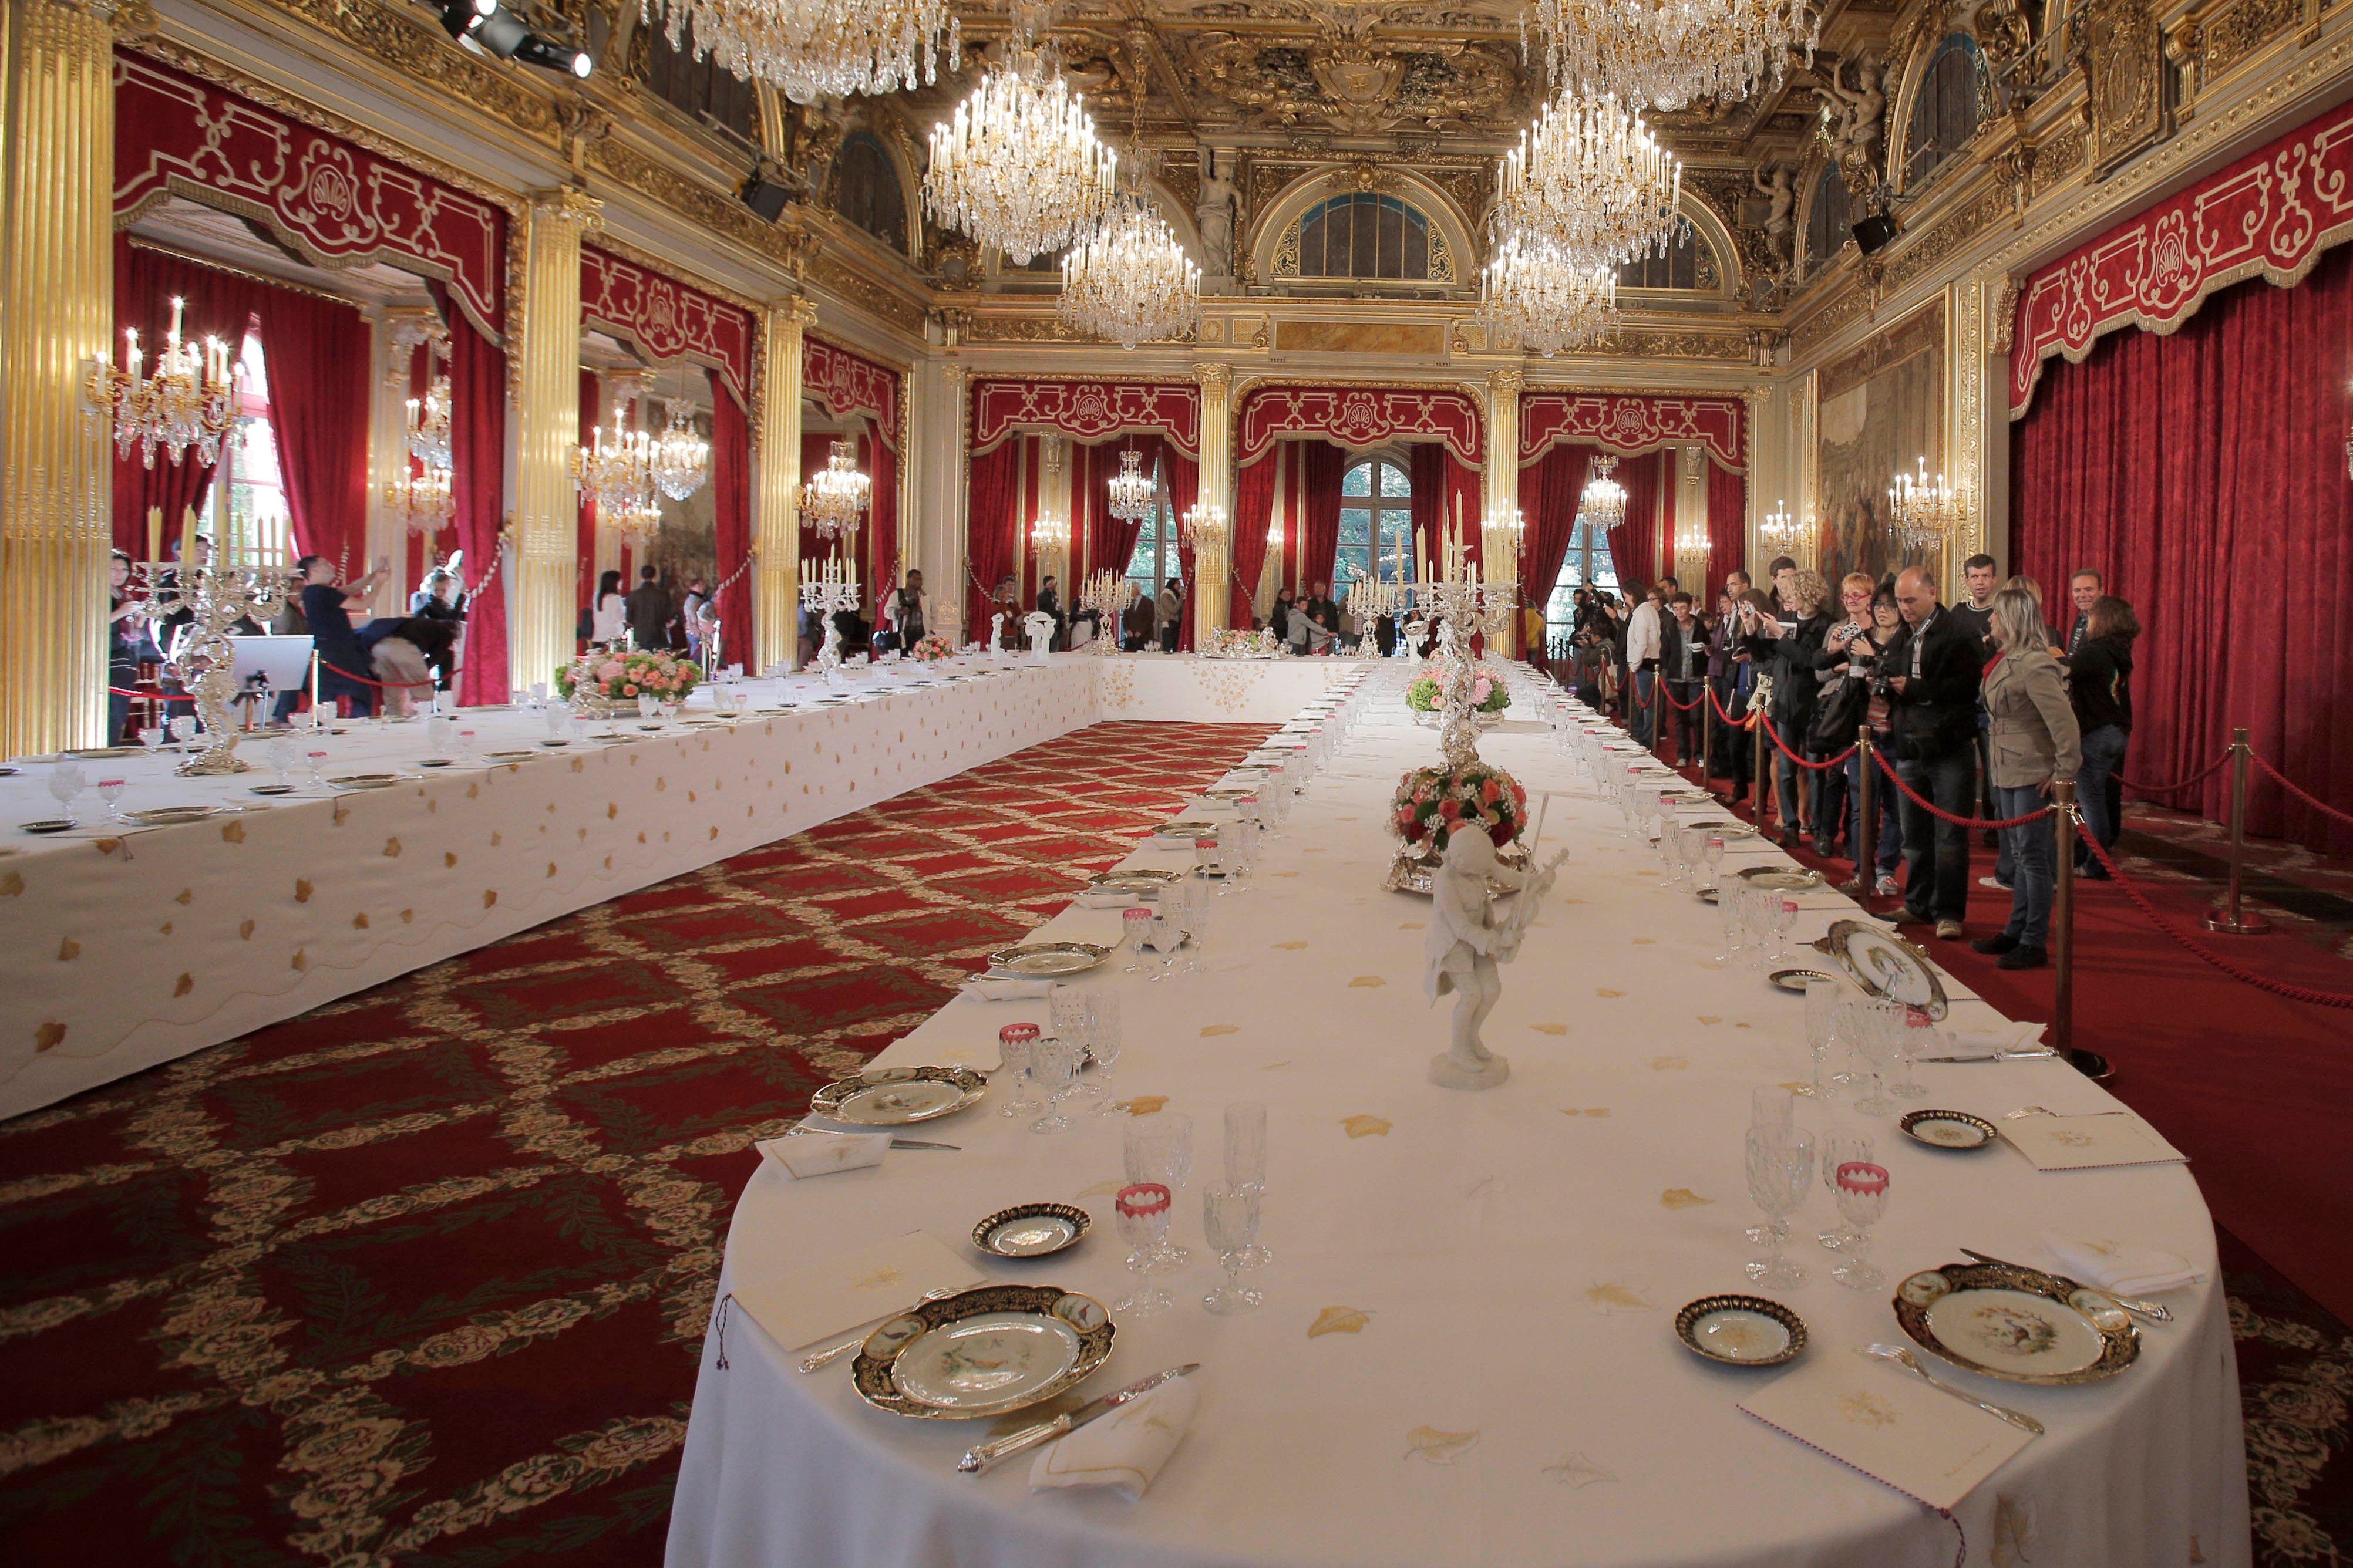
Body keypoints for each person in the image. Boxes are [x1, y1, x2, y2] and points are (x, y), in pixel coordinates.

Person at [1970, 588, 2081, 969]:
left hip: (2032, 772)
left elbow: (2064, 724)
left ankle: (2033, 940)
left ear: (2012, 619)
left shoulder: (2035, 664)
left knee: (2033, 858)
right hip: (2004, 769)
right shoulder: (2005, 659)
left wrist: (2063, 772)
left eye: (1996, 615)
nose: (1990, 621)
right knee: (2017, 855)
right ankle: (2015, 929)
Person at [1885, 566, 1986, 940]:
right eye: (1899, 601)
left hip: (1948, 746)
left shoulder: (1958, 632)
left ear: (1932, 594)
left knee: (1950, 837)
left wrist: (1914, 688)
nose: (1904, 607)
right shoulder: (1904, 633)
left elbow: (1965, 687)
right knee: (1915, 835)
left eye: (1910, 600)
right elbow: (1894, 675)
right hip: (1911, 744)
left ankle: (1949, 912)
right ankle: (1917, 903)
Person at [1744, 568, 1833, 849]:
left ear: (1807, 594)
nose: (1787, 600)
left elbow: (1811, 662)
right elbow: (1766, 655)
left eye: (1792, 594)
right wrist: (1751, 632)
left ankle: (1818, 828)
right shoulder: (1786, 619)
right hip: (1785, 703)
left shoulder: (1825, 625)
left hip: (1814, 704)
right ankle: (1791, 825)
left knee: (1817, 771)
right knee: (1785, 768)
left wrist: (1782, 635)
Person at [1806, 572, 1879, 855]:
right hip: (1838, 706)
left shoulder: (1878, 629)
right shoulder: (1837, 628)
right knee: (1836, 774)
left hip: (1867, 707)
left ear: (1869, 599)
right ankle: (1826, 832)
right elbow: (1819, 673)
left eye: (1856, 595)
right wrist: (1839, 665)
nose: (1850, 601)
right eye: (1846, 596)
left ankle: (1855, 836)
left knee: (1860, 779)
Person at [2070, 595, 2137, 878]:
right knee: (2096, 798)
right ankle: (2089, 856)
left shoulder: (2094, 652)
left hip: (2097, 731)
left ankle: (2097, 863)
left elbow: (2064, 671)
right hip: (2117, 729)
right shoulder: (2118, 650)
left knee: (2091, 800)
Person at [298, 553, 393, 720]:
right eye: (326, 564)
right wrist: (380, 583)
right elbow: (363, 604)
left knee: (327, 698)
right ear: (315, 570)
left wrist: (374, 574)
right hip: (338, 653)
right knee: (360, 694)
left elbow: (352, 589)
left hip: (326, 650)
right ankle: (358, 728)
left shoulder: (312, 592)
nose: (332, 567)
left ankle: (327, 729)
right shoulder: (323, 592)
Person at [107, 550, 161, 743]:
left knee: (119, 714)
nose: (119, 573)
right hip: (109, 661)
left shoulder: (124, 595)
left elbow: (133, 632)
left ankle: (113, 748)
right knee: (112, 713)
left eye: (124, 569)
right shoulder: (96, 594)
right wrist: (120, 613)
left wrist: (142, 617)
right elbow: (90, 626)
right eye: (113, 569)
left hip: (126, 660)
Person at [369, 616, 457, 718]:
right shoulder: (446, 632)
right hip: (402, 648)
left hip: (379, 648)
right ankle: (422, 724)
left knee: (392, 693)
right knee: (422, 693)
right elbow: (438, 658)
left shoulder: (420, 624)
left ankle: (393, 723)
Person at [1664, 592, 1709, 763]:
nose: (1680, 612)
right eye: (1676, 609)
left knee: (1697, 718)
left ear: (1690, 607)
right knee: (1680, 719)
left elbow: (1707, 648)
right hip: (1677, 678)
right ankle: (1683, 754)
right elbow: (1665, 652)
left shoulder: (1700, 626)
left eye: (1683, 608)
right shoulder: (1670, 627)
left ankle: (1700, 754)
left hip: (1696, 677)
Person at [1624, 585, 1664, 746]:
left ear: (1633, 595)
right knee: (1646, 704)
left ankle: (1648, 739)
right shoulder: (1650, 610)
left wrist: (1634, 665)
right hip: (1650, 661)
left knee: (1646, 705)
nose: (1625, 600)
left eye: (1626, 596)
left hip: (1644, 662)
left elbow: (1642, 643)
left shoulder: (1641, 612)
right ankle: (1644, 735)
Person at [625, 565, 670, 650]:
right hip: (659, 635)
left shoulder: (633, 595)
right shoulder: (663, 595)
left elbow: (629, 619)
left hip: (640, 636)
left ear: (641, 577)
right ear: (655, 576)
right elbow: (668, 616)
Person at [882, 569, 927, 652]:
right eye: (916, 579)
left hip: (921, 634)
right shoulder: (898, 594)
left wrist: (930, 628)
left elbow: (933, 615)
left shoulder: (925, 597)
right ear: (909, 579)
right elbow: (887, 612)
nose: (919, 582)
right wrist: (899, 612)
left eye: (920, 579)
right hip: (903, 634)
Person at [2064, 569, 2102, 655]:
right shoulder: (2081, 618)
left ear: (2101, 591)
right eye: (2077, 590)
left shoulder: (2108, 624)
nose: (2082, 595)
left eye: (2089, 590)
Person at [589, 569, 627, 645]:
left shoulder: (597, 596)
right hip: (613, 637)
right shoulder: (616, 598)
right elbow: (621, 618)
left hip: (598, 637)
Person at [681, 577, 713, 661]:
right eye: (700, 585)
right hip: (695, 631)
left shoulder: (697, 600)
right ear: (694, 587)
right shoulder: (693, 601)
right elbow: (693, 619)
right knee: (697, 655)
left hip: (695, 631)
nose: (703, 587)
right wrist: (698, 632)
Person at [1036, 574, 1066, 649]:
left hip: (1056, 625)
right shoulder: (1042, 596)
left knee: (1055, 646)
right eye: (1052, 583)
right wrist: (1047, 590)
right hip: (1047, 625)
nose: (1055, 586)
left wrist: (1062, 617)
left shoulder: (1055, 596)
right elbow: (1045, 605)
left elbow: (1058, 607)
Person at [1122, 585, 1156, 651]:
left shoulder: (1148, 602)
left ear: (1137, 590)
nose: (1129, 591)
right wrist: (1127, 630)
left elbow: (1150, 619)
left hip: (1144, 637)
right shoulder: (1128, 602)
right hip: (1131, 638)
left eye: (1131, 589)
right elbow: (1125, 618)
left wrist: (1141, 631)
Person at [1156, 577, 1183, 652]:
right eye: (1177, 583)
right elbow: (1173, 610)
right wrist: (1181, 598)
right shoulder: (1166, 595)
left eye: (1180, 584)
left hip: (1176, 626)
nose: (1179, 586)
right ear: (1172, 584)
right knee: (1166, 649)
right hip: (1169, 625)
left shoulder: (1175, 595)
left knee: (1177, 649)